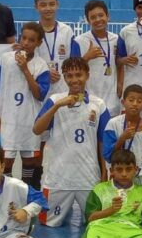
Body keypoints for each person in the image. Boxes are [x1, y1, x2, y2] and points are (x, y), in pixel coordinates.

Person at [33, 57, 111, 227]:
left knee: (95, 224)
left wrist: (105, 172)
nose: (74, 80)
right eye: (69, 76)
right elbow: (37, 130)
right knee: (48, 226)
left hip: (89, 178)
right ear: (64, 77)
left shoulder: (99, 105)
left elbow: (102, 142)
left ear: (87, 75)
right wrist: (57, 107)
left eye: (78, 75)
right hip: (58, 178)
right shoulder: (55, 100)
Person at [0, 22, 50, 187]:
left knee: (30, 161)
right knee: (6, 161)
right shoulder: (5, 59)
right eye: (23, 38)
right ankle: (8, 192)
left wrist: (25, 69)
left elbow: (39, 94)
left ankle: (26, 193)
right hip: (8, 119)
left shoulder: (41, 65)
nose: (26, 43)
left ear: (39, 43)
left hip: (29, 120)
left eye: (31, 40)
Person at [103, 85, 142, 188]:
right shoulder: (113, 124)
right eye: (131, 100)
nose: (135, 104)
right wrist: (122, 138)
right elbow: (108, 156)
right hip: (118, 180)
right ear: (123, 102)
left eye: (139, 101)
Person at [71, 0, 122, 116]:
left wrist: (120, 84)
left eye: (101, 15)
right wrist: (87, 57)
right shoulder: (79, 42)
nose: (98, 20)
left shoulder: (116, 40)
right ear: (87, 20)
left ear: (108, 16)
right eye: (93, 17)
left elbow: (120, 65)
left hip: (112, 102)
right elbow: (72, 70)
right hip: (89, 101)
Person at [32, 0, 73, 97]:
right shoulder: (31, 31)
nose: (48, 8)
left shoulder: (67, 31)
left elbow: (72, 60)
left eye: (51, 4)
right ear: (36, 7)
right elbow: (27, 61)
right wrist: (45, 73)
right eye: (43, 5)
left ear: (57, 5)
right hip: (38, 88)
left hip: (63, 89)